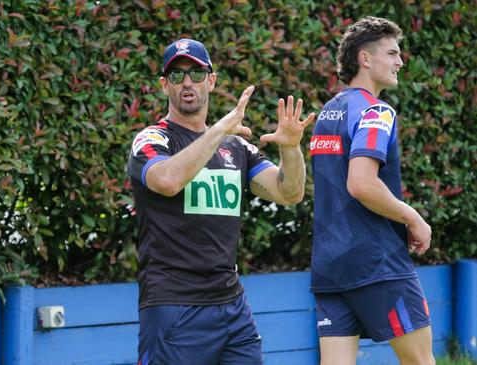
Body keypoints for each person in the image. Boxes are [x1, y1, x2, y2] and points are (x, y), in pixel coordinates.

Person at [127, 38, 315, 365]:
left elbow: (289, 193)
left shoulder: (237, 148)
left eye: (197, 74)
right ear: (164, 86)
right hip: (174, 306)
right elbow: (167, 180)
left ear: (211, 82)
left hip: (232, 306)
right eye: (177, 75)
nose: (187, 82)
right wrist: (218, 129)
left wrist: (290, 148)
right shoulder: (152, 140)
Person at [309, 16, 434, 365]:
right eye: (392, 53)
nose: (400, 62)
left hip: (330, 265)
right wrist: (414, 218)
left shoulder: (328, 111)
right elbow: (361, 184)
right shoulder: (377, 111)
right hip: (376, 262)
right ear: (365, 59)